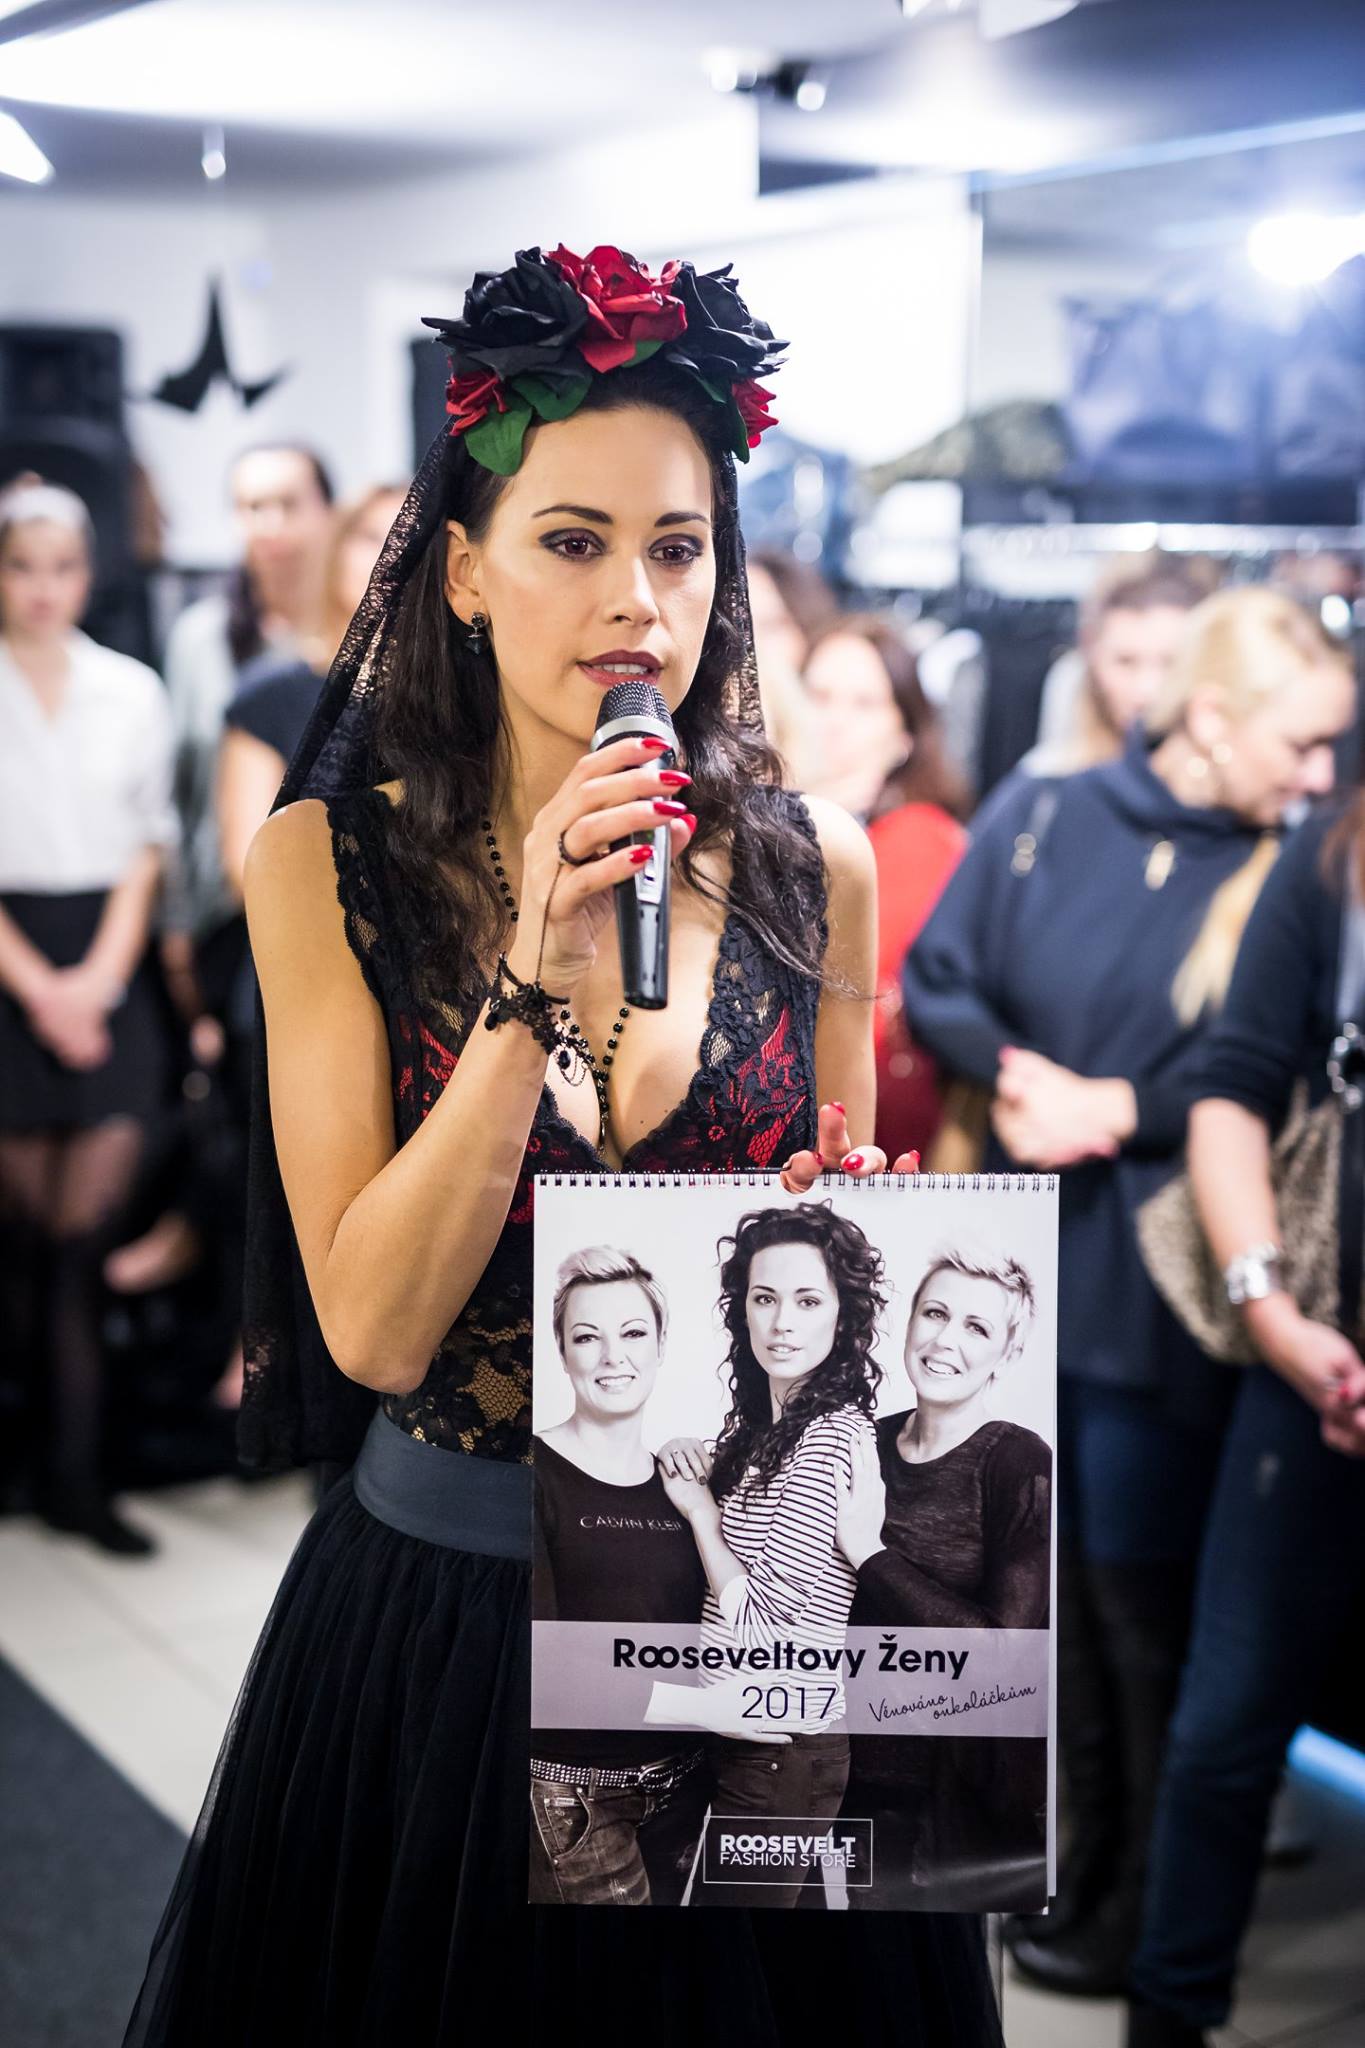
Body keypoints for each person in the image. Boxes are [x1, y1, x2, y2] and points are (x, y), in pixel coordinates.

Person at [122, 242, 1003, 2048]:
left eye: (677, 548)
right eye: (573, 540)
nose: (634, 603)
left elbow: (832, 1200)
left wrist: (857, 1240)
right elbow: (373, 1327)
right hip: (449, 1620)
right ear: (463, 570)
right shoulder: (327, 865)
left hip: (750, 1620)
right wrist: (529, 980)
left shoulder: (814, 866)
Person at [902, 586, 1355, 1996]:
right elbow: (941, 972)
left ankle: (1133, 1905)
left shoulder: (1295, 869)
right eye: (1300, 742)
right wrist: (1020, 1074)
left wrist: (1116, 1106)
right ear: (1212, 718)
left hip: (1165, 1285)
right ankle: (1068, 1865)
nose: (1320, 773)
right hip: (1016, 1260)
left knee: (1133, 1604)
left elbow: (1257, 1077)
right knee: (1030, 1592)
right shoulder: (1049, 808)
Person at [1125, 798, 1365, 2048]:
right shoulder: (1333, 852)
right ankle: (1170, 2016)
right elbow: (1234, 1088)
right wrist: (1271, 1315)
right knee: (1223, 1730)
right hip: (1312, 1359)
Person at [0, 480, 177, 1553]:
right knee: (21, 1244)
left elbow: (147, 847)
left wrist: (97, 984)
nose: (42, 588)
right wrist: (40, 991)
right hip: (12, 963)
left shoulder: (130, 689)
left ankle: (79, 1475)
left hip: (106, 967)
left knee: (79, 1241)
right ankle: (32, 1463)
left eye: (61, 567)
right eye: (22, 566)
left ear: (88, 573)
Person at [651, 1203, 883, 1909]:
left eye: (807, 1301)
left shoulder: (828, 1437)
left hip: (783, 1749)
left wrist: (701, 1515)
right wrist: (684, 1452)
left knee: (734, 1954)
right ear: (742, 1313)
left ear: (842, 1317)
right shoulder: (767, 1433)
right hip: (742, 1732)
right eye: (764, 1298)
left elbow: (765, 1625)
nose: (782, 1322)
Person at [835, 1242, 1051, 1909]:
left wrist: (869, 1555)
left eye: (976, 1327)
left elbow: (1005, 1655)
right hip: (836, 1783)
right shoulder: (860, 1442)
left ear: (1008, 1353)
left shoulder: (1017, 1462)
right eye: (934, 1313)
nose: (944, 1341)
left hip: (949, 1809)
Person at [530, 1246, 708, 1907]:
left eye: (633, 1333)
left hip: (688, 1786)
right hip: (577, 1798)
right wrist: (711, 1709)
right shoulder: (534, 1477)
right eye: (587, 1337)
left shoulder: (684, 1482)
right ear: (561, 1351)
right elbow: (547, 1668)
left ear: (661, 1346)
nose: (613, 1357)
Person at [803, 614, 968, 1161]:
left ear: (904, 736)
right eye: (818, 696)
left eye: (864, 703)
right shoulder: (751, 830)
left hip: (872, 1134)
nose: (834, 721)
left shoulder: (918, 838)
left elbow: (857, 999)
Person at [1027, 561, 1210, 777]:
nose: (1146, 690)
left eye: (1170, 663)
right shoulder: (1047, 782)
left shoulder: (1232, 785)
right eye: (1125, 662)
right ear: (1092, 657)